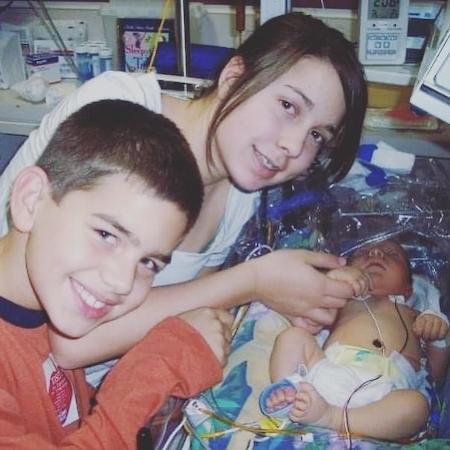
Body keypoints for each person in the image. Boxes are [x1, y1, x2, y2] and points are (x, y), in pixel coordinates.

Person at [0, 13, 368, 382]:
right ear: (234, 77)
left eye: (317, 135)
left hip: (92, 389)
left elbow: (190, 302)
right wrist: (253, 282)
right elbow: (66, 342)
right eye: (288, 106)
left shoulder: (241, 193)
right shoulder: (119, 108)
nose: (293, 146)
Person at [0, 99, 234, 448]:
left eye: (149, 263)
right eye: (107, 235)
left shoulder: (44, 305)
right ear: (31, 200)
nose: (122, 283)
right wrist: (160, 364)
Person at [263, 239, 449, 441]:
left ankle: (333, 418)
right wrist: (333, 281)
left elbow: (435, 374)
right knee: (292, 338)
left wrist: (438, 337)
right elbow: (308, 315)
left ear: (408, 288)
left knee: (417, 406)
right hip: (328, 375)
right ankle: (290, 393)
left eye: (392, 255)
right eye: (363, 253)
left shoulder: (416, 314)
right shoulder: (342, 301)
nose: (376, 253)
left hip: (386, 395)